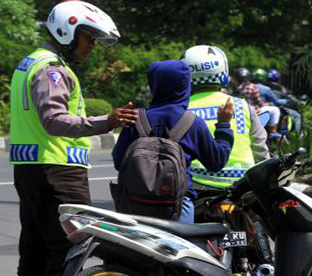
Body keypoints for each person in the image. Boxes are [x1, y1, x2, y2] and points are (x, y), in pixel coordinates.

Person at [10, 0, 137, 276]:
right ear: (68, 32)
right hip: (57, 170)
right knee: (68, 248)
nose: (92, 46)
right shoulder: (52, 70)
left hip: (31, 169)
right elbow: (54, 119)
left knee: (34, 246)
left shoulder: (30, 62)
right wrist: (105, 122)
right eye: (89, 38)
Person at [111, 59, 234, 224]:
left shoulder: (134, 119)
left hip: (134, 204)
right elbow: (216, 162)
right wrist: (224, 125)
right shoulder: (192, 123)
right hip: (178, 205)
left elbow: (119, 162)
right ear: (185, 86)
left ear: (154, 84)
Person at [180, 45, 270, 190]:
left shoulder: (182, 108)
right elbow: (260, 151)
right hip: (241, 186)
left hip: (196, 185)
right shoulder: (242, 106)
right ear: (223, 71)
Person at [253, 68, 285, 139]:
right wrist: (287, 101)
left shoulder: (249, 86)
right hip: (259, 111)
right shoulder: (265, 89)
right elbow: (277, 102)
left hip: (250, 111)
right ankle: (273, 132)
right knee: (275, 110)